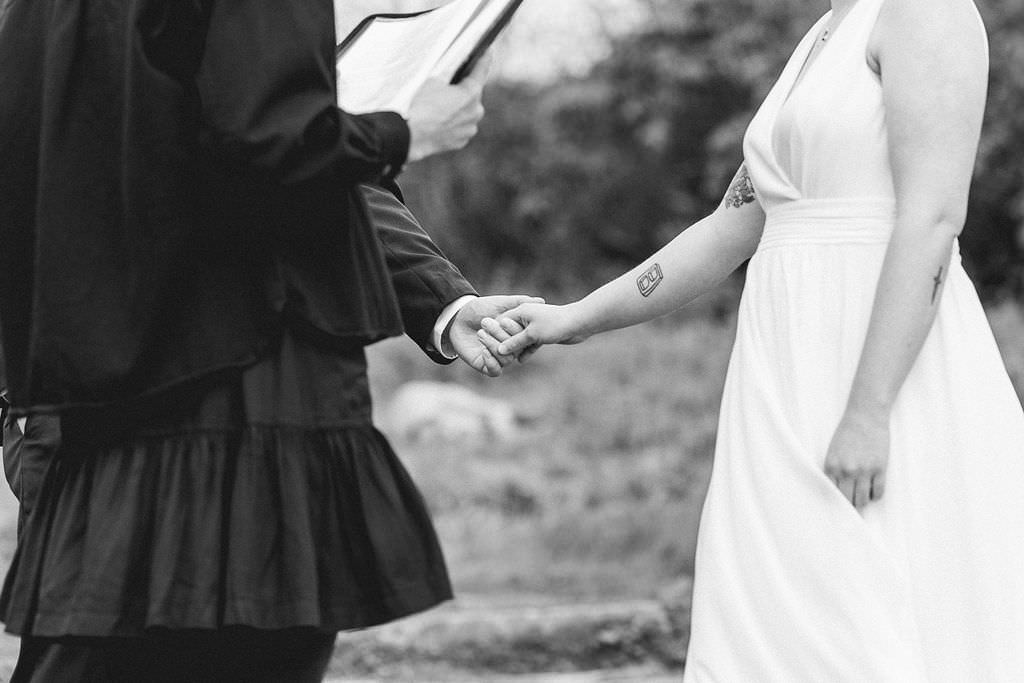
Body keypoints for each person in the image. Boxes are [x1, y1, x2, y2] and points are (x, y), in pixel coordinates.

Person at [487, 0, 1024, 679]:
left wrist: (868, 410)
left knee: (873, 611)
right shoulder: (824, 35)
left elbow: (933, 218)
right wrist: (574, 318)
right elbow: (726, 231)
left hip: (877, 366)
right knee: (773, 613)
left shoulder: (925, 12)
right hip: (783, 373)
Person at [0, 1, 529, 680]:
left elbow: (221, 143)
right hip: (237, 412)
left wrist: (443, 303)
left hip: (95, 419)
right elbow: (270, 145)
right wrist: (405, 131)